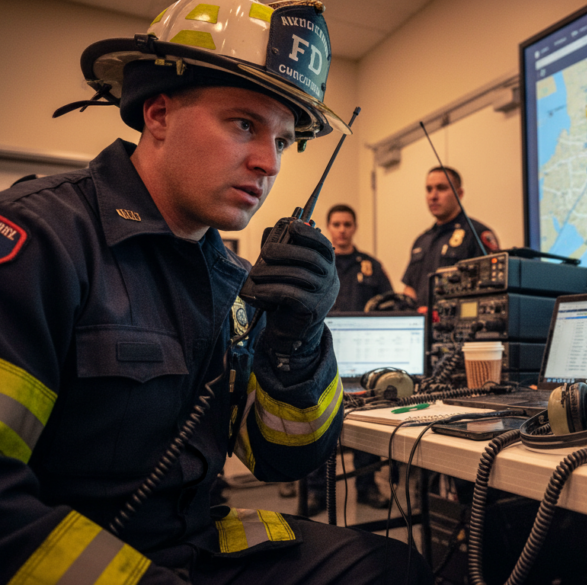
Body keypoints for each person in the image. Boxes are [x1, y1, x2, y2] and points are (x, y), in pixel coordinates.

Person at [0, 2, 430, 584]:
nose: (267, 163)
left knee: (397, 568)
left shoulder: (234, 278)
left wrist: (296, 341)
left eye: (283, 141)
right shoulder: (42, 240)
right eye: (244, 125)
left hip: (194, 543)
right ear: (158, 114)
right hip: (77, 557)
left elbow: (286, 458)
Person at [302, 204, 391, 513]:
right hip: (321, 351)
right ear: (329, 226)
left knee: (369, 416)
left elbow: (389, 306)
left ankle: (367, 487)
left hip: (365, 357)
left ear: (354, 227)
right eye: (336, 224)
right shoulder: (318, 262)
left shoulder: (372, 266)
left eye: (347, 224)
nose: (342, 229)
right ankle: (317, 491)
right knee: (320, 420)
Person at [401, 166, 501, 307]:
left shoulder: (476, 233)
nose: (433, 196)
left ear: (459, 194)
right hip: (420, 325)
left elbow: (491, 286)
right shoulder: (421, 241)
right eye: (429, 189)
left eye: (441, 188)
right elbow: (410, 288)